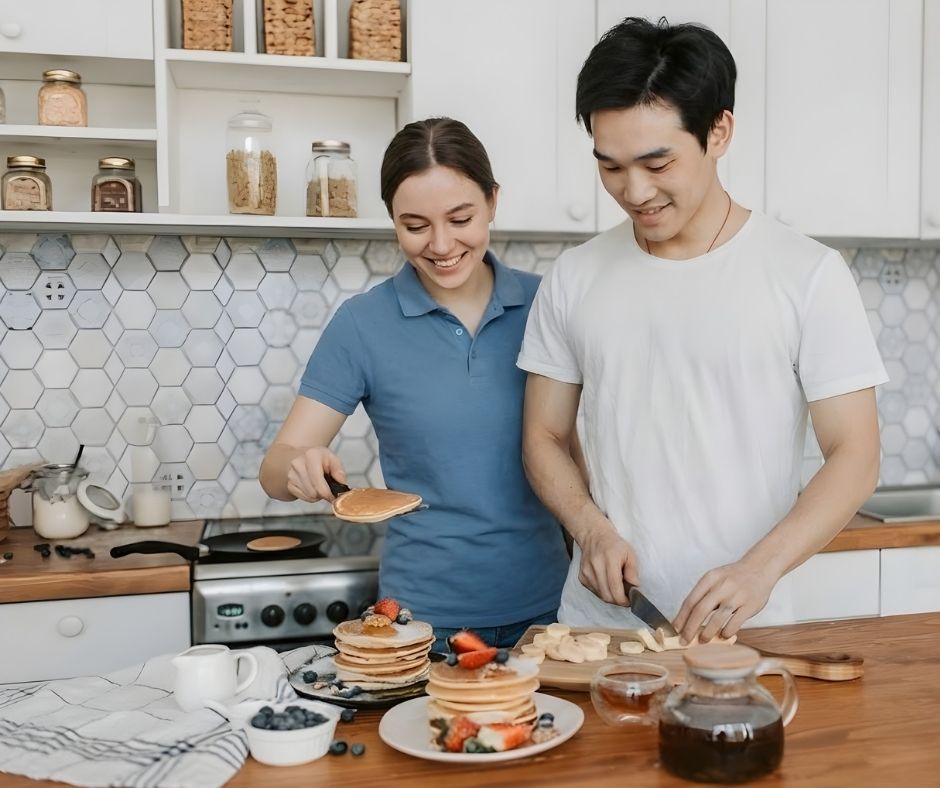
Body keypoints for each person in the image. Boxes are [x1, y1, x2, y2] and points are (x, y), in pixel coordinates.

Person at [517, 17, 887, 644]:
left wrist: (758, 569)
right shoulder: (575, 276)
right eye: (610, 166)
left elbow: (856, 455)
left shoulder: (807, 274)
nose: (634, 191)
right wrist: (591, 530)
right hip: (603, 633)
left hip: (750, 632)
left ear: (720, 131)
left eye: (657, 161)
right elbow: (543, 436)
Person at [260, 117, 568, 650]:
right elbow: (276, 465)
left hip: (552, 611)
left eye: (461, 218)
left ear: (493, 202)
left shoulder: (549, 305)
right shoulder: (363, 324)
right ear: (392, 220)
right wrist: (298, 466)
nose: (441, 244)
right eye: (415, 224)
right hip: (423, 623)